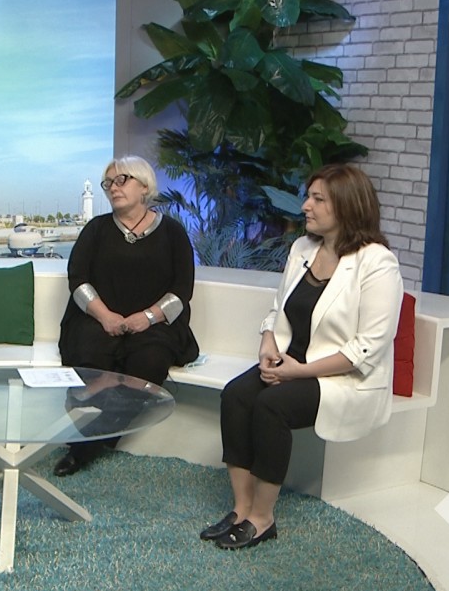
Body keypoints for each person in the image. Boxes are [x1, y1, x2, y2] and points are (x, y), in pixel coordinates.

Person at [202, 163, 403, 549]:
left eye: (317, 199)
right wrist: (267, 345)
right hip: (291, 361)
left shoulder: (377, 262)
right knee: (236, 395)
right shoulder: (303, 249)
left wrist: (298, 372)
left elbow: (368, 346)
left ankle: (263, 518)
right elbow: (278, 309)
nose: (305, 206)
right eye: (308, 197)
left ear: (347, 206)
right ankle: (241, 508)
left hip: (341, 376)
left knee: (270, 406)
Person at [54, 155, 200, 476]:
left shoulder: (173, 233)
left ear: (144, 186)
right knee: (89, 354)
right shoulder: (96, 230)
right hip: (97, 319)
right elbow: (78, 281)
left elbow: (181, 291)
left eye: (122, 180)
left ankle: (87, 445)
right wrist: (105, 316)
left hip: (155, 324)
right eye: (108, 183)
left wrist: (146, 317)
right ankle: (93, 441)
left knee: (149, 361)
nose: (113, 188)